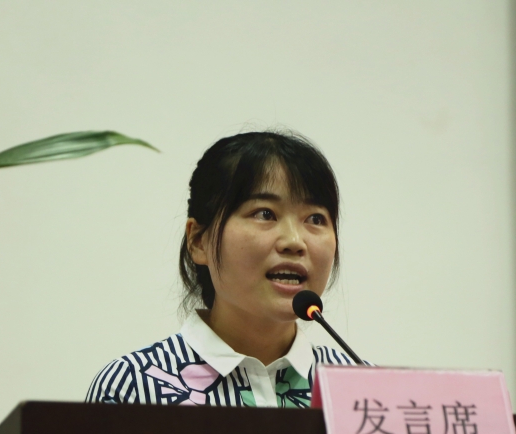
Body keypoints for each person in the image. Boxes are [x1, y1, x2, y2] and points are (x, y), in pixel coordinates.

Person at [86, 131, 355, 408]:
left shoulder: (359, 391)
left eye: (315, 219)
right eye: (265, 214)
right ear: (198, 241)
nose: (294, 241)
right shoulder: (134, 388)